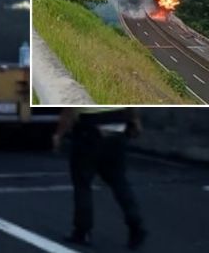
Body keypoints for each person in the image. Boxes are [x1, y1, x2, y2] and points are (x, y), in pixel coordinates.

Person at [54, 107, 147, 249]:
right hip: (118, 131)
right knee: (119, 181)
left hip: (90, 132)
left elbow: (69, 110)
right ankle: (136, 224)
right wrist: (136, 121)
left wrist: (58, 135)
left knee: (83, 183)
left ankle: (83, 231)